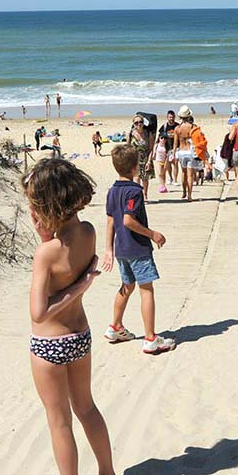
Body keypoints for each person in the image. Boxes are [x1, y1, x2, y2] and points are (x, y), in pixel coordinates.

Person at [22, 158, 126, 475]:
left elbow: (38, 312)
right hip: (80, 336)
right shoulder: (89, 233)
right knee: (87, 407)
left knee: (59, 420)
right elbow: (73, 273)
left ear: (46, 204)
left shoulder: (45, 253)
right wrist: (81, 285)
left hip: (49, 343)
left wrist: (77, 284)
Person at [102, 145, 175, 355]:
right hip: (137, 247)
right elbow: (127, 220)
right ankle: (151, 338)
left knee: (127, 285)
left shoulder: (112, 191)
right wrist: (152, 234)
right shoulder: (134, 191)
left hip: (121, 248)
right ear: (135, 167)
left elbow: (110, 222)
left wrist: (109, 249)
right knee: (146, 290)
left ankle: (115, 326)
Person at [172, 106, 202, 202]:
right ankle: (189, 195)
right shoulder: (193, 127)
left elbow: (175, 143)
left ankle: (184, 192)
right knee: (190, 175)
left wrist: (173, 154)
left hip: (181, 151)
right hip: (190, 151)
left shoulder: (177, 128)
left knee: (183, 173)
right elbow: (198, 140)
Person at [127, 115, 154, 196]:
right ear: (133, 124)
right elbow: (127, 147)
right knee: (136, 178)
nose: (139, 124)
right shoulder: (130, 134)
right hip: (134, 159)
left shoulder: (148, 134)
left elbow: (151, 149)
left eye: (140, 122)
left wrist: (149, 161)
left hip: (145, 159)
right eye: (136, 122)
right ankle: (138, 195)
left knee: (145, 179)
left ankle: (145, 194)